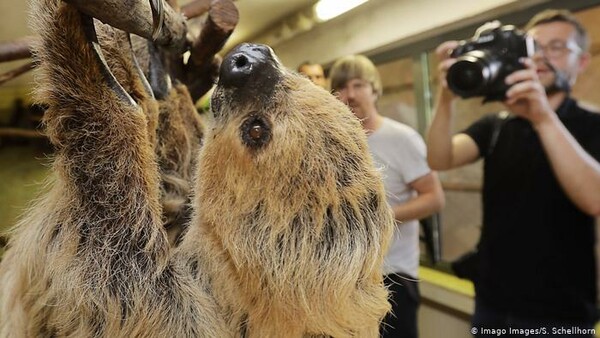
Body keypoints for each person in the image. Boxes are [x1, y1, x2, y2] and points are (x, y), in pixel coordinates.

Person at [427, 9, 600, 337]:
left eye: (557, 47)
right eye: (534, 46)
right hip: (492, 303)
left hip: (561, 313)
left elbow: (595, 200)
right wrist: (446, 96)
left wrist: (543, 118)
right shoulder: (497, 125)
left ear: (582, 62)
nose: (543, 57)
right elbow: (439, 158)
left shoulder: (592, 125)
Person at [330, 54, 445, 338]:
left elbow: (434, 198)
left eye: (359, 85)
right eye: (342, 88)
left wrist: (381, 218)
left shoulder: (401, 138)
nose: (351, 95)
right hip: (343, 278)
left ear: (375, 89)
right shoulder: (331, 145)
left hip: (393, 276)